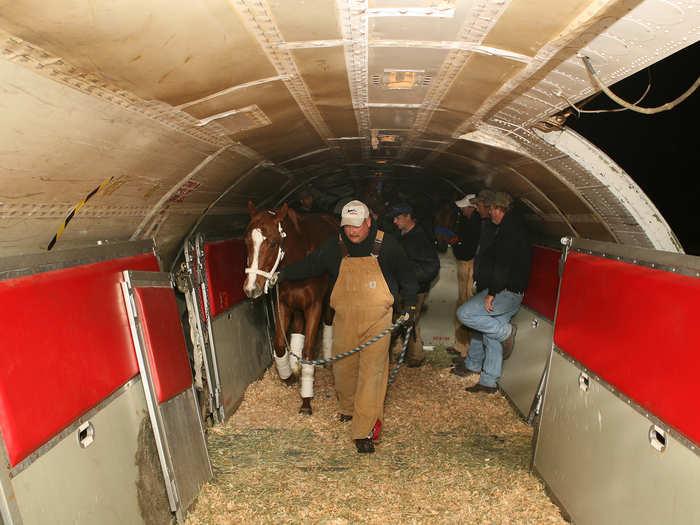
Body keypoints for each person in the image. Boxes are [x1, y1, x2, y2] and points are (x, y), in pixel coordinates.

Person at [279, 200, 418, 453]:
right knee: (343, 369)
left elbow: (408, 276)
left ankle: (363, 431)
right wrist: (281, 274)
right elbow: (311, 265)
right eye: (347, 227)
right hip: (344, 319)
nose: (352, 232)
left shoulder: (387, 245)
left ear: (368, 222)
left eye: (357, 226)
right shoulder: (335, 245)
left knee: (372, 374)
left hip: (378, 320)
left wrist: (409, 306)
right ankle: (347, 408)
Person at [455, 191, 531, 393]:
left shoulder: (509, 231)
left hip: (506, 290)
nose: (489, 213)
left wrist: (492, 292)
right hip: (507, 288)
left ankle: (507, 332)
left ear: (498, 209)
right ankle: (488, 382)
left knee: (465, 314)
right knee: (490, 333)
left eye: (491, 209)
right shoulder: (509, 227)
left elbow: (503, 266)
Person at [389, 203, 440, 368]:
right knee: (404, 319)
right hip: (403, 287)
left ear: (408, 217)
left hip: (416, 289)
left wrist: (410, 278)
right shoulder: (402, 234)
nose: (395, 221)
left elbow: (432, 266)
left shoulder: (420, 238)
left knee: (409, 319)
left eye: (398, 218)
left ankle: (416, 356)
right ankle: (409, 354)